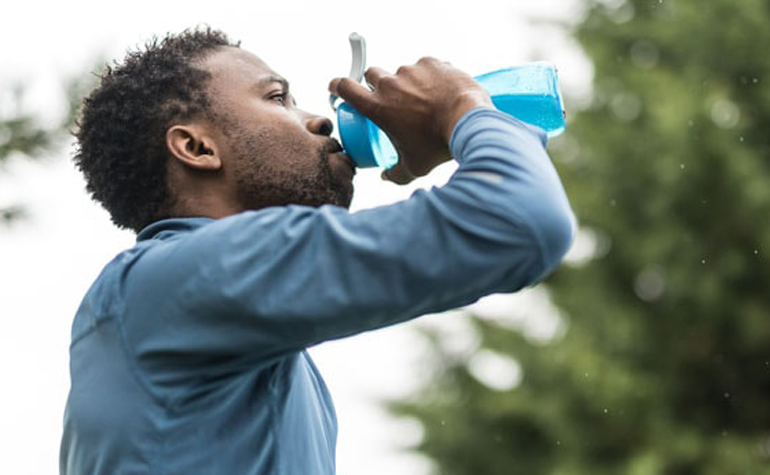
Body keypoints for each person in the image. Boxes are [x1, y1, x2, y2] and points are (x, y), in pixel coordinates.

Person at [60, 27, 575, 475]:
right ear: (197, 148)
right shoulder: (180, 278)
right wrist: (460, 105)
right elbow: (522, 220)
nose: (320, 122)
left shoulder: (203, 307)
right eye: (278, 97)